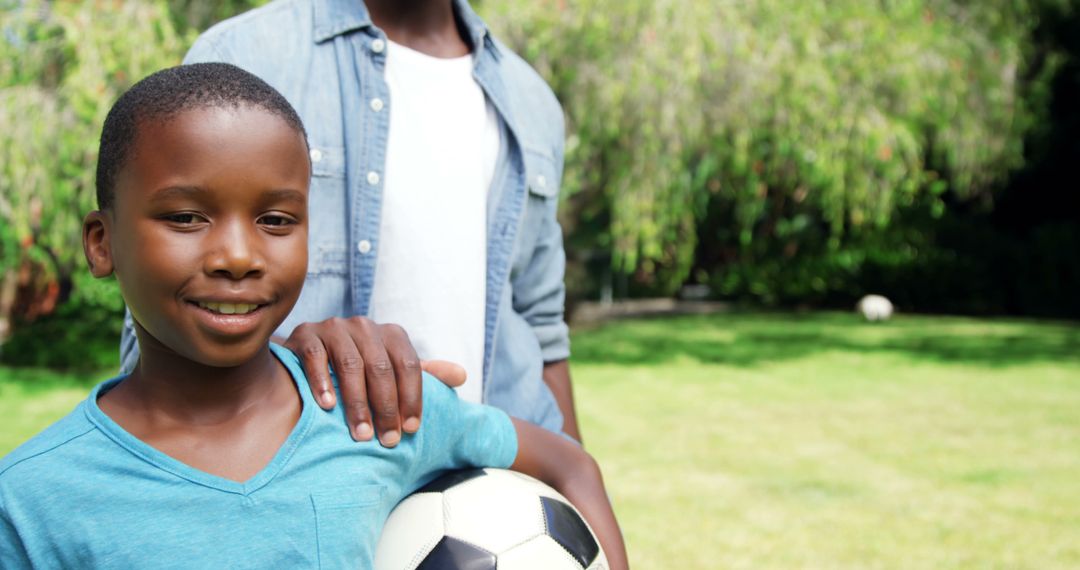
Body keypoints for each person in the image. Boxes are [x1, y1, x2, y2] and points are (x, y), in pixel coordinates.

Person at [0, 63, 627, 569]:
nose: (239, 257)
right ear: (101, 243)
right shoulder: (31, 500)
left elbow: (569, 463)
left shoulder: (376, 411)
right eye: (186, 217)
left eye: (276, 221)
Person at [118, 0, 583, 446]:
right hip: (313, 490)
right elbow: (157, 342)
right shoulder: (246, 56)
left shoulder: (529, 99)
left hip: (500, 488)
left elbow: (542, 329)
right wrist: (295, 360)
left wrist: (575, 501)